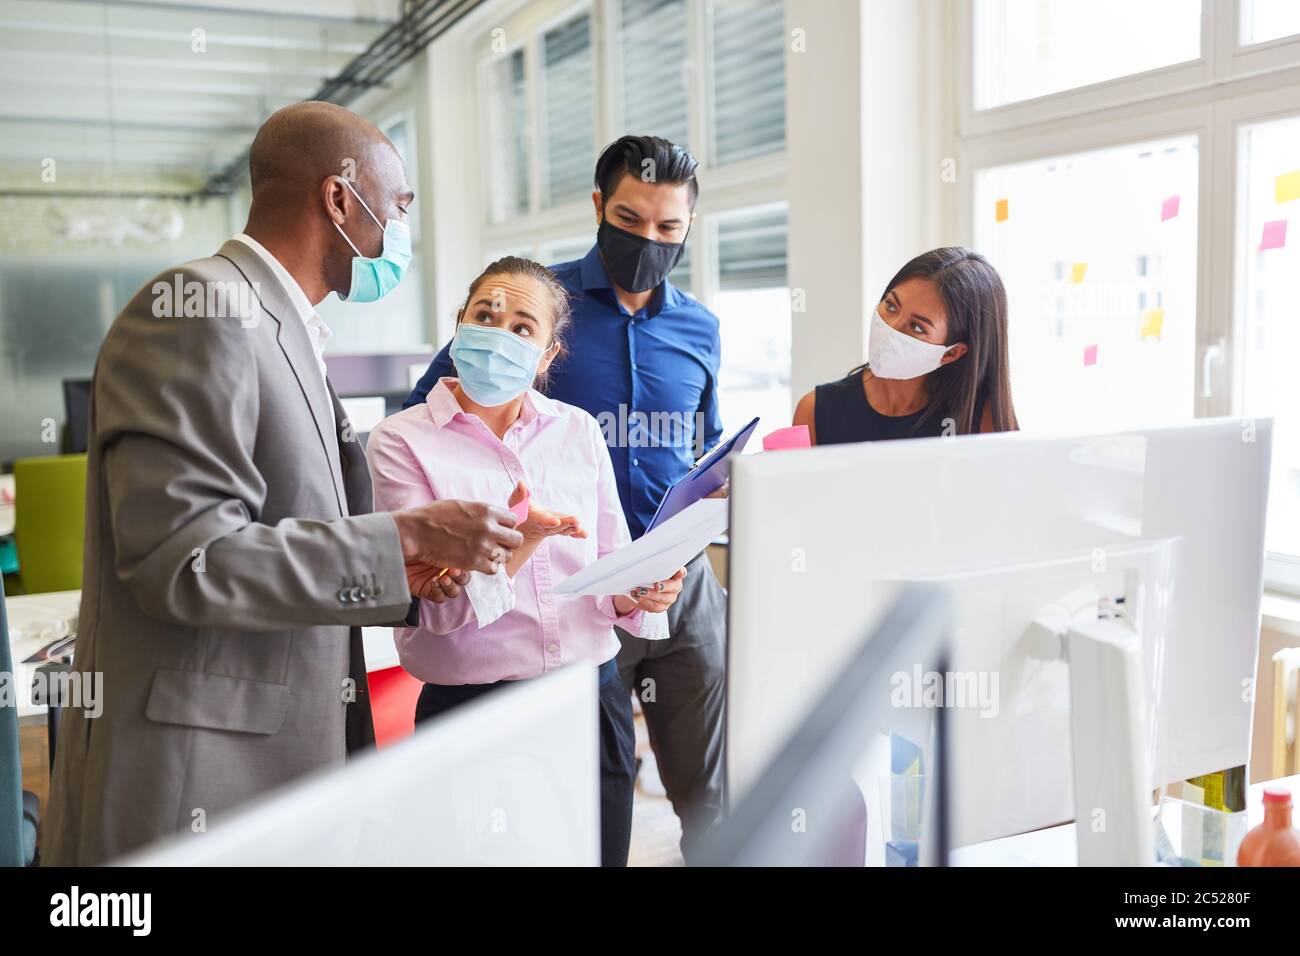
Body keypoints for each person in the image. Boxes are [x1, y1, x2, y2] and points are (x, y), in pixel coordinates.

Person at [42, 102, 523, 866]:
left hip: (271, 762)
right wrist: (407, 534)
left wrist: (403, 570)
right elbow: (185, 559)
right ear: (339, 199)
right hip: (199, 779)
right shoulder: (202, 311)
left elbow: (280, 528)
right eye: (398, 206)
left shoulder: (277, 325)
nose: (401, 230)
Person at [405, 136, 727, 861]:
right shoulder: (529, 311)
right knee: (573, 787)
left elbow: (697, 440)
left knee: (709, 783)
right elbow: (439, 412)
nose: (649, 239)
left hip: (678, 576)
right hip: (560, 586)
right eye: (631, 217)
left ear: (687, 230)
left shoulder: (701, 328)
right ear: (598, 208)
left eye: (668, 227)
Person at [366, 256, 684, 866]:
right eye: (486, 315)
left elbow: (610, 565)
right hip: (472, 717)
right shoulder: (401, 441)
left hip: (591, 700)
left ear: (546, 356)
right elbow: (430, 611)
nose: (499, 332)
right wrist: (523, 542)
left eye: (522, 327)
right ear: (459, 326)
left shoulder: (579, 430)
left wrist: (640, 591)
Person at [794, 247, 1018, 443]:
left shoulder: (982, 420)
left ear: (951, 353)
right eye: (891, 306)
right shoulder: (814, 412)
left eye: (917, 326)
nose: (891, 327)